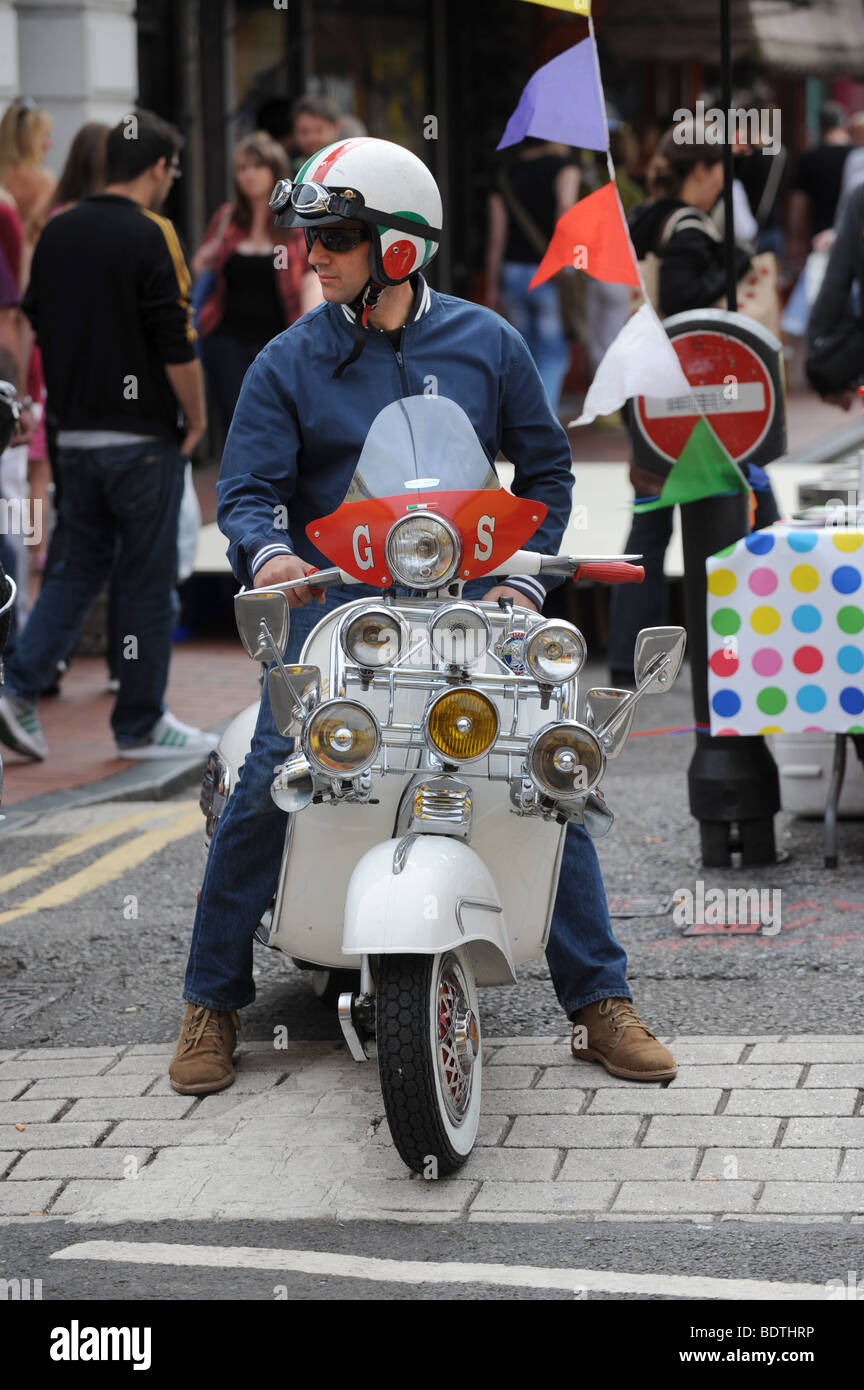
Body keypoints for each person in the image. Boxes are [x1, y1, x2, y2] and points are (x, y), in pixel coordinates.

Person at [168, 136, 678, 1097]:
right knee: (274, 772)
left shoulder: (488, 343)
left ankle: (600, 1000)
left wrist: (521, 582)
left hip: (471, 615)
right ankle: (212, 1001)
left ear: (398, 247)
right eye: (311, 237)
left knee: (548, 764)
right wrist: (274, 555)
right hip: (342, 623)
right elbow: (246, 494)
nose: (312, 255)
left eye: (336, 237)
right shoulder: (287, 361)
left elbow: (549, 472)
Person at [0, 109, 217, 763]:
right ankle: (141, 723)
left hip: (75, 438)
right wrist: (198, 417)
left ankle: (15, 689)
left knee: (75, 565)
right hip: (140, 438)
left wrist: (39, 405)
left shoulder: (59, 228)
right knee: (147, 578)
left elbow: (31, 323)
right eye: (173, 169)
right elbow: (175, 339)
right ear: (157, 168)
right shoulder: (153, 234)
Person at [608, 124, 778, 683]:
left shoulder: (648, 217)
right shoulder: (687, 229)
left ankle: (631, 660)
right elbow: (685, 308)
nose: (723, 187)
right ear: (701, 171)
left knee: (649, 525)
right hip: (693, 400)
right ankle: (746, 642)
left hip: (650, 394)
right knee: (750, 501)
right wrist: (735, 261)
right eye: (720, 174)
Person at [192, 131, 317, 435]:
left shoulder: (296, 223)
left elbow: (309, 276)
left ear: (275, 171)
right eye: (241, 168)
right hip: (226, 341)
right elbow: (201, 271)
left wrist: (310, 332)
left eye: (257, 166)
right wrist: (204, 259)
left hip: (277, 341)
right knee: (237, 425)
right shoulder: (226, 218)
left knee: (277, 424)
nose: (248, 175)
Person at [485, 138, 580, 409]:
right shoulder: (565, 167)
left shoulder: (504, 174)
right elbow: (566, 210)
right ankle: (542, 421)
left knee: (522, 353)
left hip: (512, 272)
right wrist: (564, 260)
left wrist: (493, 287)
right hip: (548, 272)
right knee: (552, 353)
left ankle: (523, 419)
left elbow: (496, 236)